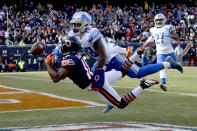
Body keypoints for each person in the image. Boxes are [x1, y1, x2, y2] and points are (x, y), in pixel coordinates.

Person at [45, 36, 181, 113]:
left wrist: (47, 62)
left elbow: (56, 77)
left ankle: (142, 86)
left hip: (96, 83)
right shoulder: (74, 56)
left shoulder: (71, 58)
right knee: (122, 72)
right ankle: (136, 54)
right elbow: (62, 61)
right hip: (97, 75)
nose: (61, 46)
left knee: (121, 104)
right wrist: (55, 56)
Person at [52, 12, 183, 82]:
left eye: (77, 24)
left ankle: (169, 64)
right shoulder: (72, 34)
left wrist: (98, 68)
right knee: (93, 82)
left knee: (139, 73)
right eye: (73, 25)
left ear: (85, 24)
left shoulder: (92, 33)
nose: (74, 28)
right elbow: (61, 45)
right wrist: (55, 53)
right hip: (101, 60)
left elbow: (102, 56)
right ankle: (111, 101)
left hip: (111, 57)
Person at [145, 13, 182, 91]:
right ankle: (163, 83)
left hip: (169, 50)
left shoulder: (168, 27)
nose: (159, 22)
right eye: (157, 20)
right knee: (162, 68)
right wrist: (145, 46)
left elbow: (177, 37)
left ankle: (175, 65)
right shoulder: (153, 29)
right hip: (160, 52)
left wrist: (170, 35)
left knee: (177, 66)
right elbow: (151, 39)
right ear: (155, 21)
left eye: (160, 20)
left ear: (164, 20)